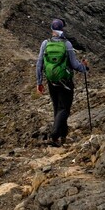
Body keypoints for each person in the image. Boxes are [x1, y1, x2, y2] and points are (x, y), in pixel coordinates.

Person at [36, 19, 89, 147]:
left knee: (57, 108)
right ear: (62, 29)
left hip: (51, 81)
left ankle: (62, 136)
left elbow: (39, 64)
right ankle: (54, 135)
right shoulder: (67, 44)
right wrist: (85, 68)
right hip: (65, 81)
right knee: (64, 108)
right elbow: (75, 65)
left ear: (52, 29)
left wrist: (39, 82)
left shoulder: (45, 43)